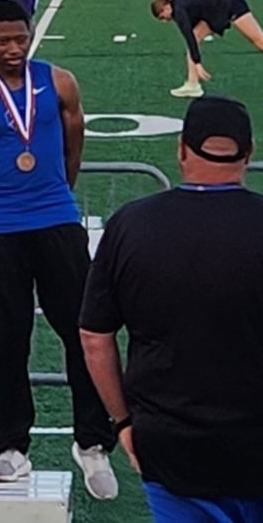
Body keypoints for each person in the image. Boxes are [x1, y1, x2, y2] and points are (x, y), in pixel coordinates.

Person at [0, 0, 117, 499]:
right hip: (1, 231)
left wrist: (58, 193)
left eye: (21, 38)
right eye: (3, 41)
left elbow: (74, 142)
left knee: (82, 334)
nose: (14, 48)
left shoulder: (59, 81)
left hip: (58, 223)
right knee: (7, 340)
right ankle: (11, 448)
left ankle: (92, 443)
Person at [80, 95, 263, 522]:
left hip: (169, 443)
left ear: (181, 149)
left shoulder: (130, 225)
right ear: (249, 153)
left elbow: (94, 338)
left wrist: (123, 422)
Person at [150, 0, 263, 99]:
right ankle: (192, 84)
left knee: (259, 41)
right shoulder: (179, 3)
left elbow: (188, 36)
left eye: (162, 17)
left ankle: (193, 84)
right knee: (196, 36)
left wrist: (197, 63)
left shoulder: (179, 10)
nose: (165, 20)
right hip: (217, 10)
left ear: (166, 7)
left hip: (232, 6)